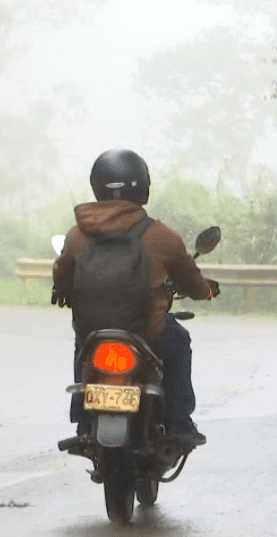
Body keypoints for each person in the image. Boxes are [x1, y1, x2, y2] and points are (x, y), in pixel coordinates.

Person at [52, 148, 219, 446]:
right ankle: (179, 422)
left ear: (97, 185)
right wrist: (206, 290)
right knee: (179, 341)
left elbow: (62, 273)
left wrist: (62, 290)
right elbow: (192, 282)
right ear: (142, 185)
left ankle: (82, 420)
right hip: (147, 332)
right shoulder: (163, 236)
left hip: (93, 330)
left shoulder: (77, 235)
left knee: (83, 346)